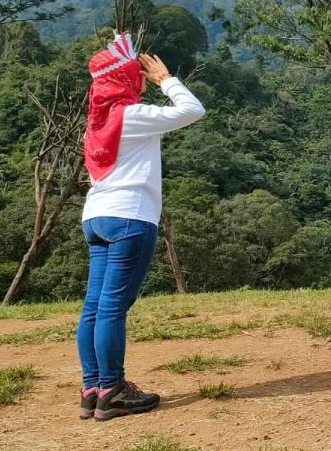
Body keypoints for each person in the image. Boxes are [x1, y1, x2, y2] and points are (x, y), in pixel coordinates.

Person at [79, 34, 205, 420]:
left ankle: (93, 388)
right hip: (130, 217)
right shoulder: (131, 116)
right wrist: (166, 78)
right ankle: (114, 390)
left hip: (95, 216)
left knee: (94, 308)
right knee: (114, 307)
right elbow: (192, 110)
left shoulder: (96, 121)